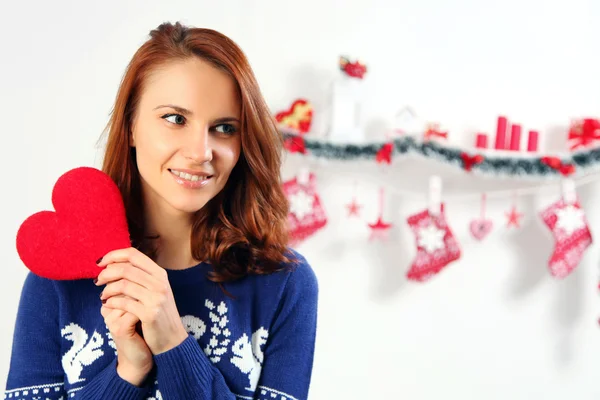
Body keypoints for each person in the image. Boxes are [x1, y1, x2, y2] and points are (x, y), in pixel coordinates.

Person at [4, 21, 318, 400]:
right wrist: (127, 372)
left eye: (223, 128)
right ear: (131, 125)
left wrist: (173, 341)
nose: (201, 151)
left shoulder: (284, 283)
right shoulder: (58, 275)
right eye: (175, 119)